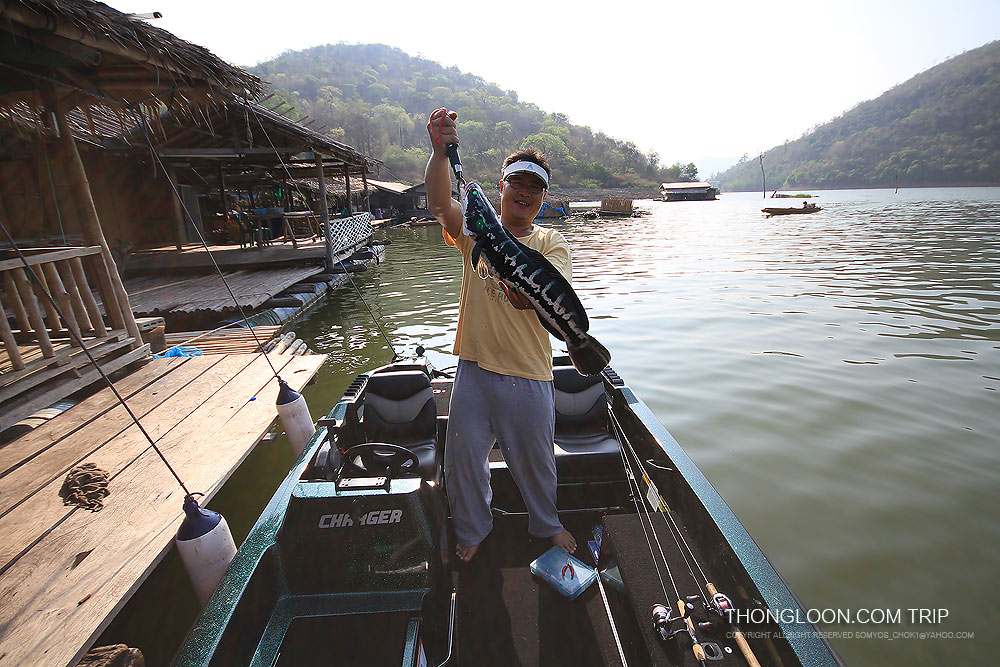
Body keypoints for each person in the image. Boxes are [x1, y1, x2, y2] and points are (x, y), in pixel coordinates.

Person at [424, 108, 577, 563]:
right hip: (473, 369)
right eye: (518, 184)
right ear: (502, 188)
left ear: (543, 198)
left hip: (530, 373)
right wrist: (438, 152)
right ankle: (473, 528)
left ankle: (546, 524)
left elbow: (549, 296)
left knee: (537, 464)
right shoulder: (473, 233)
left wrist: (523, 294)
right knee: (464, 461)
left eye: (535, 187)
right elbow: (439, 203)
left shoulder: (550, 243)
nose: (525, 193)